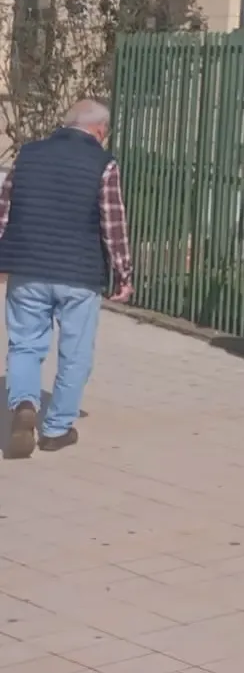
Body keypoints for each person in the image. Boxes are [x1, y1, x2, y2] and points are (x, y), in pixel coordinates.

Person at [1, 100, 135, 459]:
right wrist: (123, 272)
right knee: (75, 352)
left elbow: (4, 209)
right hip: (79, 273)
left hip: (27, 267)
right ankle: (56, 428)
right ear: (99, 130)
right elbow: (113, 224)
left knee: (25, 344)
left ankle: (25, 403)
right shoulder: (103, 164)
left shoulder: (27, 155)